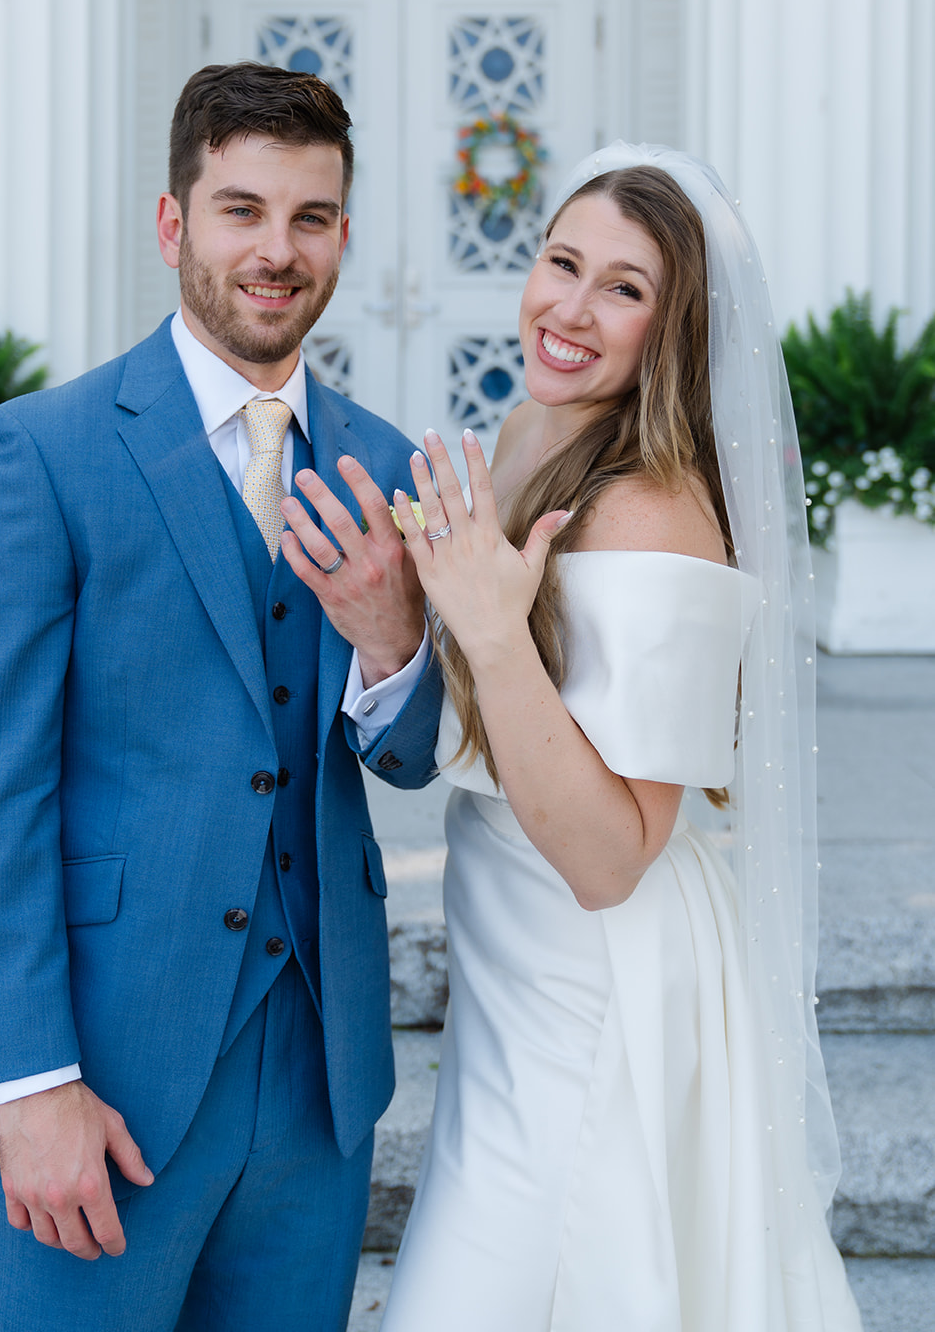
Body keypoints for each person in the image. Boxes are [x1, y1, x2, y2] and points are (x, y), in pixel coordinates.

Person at [0, 61, 441, 1332]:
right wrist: (28, 1082)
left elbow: (417, 757)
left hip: (315, 1083)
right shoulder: (42, 453)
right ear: (174, 225)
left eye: (309, 218)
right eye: (240, 210)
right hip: (99, 1078)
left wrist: (390, 647)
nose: (277, 250)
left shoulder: (383, 461)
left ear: (342, 237)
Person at [381, 145, 862, 1330]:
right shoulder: (522, 435)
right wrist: (388, 619)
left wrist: (489, 632)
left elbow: (611, 853)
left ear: (675, 328)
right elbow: (491, 729)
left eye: (624, 288)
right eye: (561, 262)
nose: (572, 308)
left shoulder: (652, 506)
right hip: (510, 970)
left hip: (596, 979)